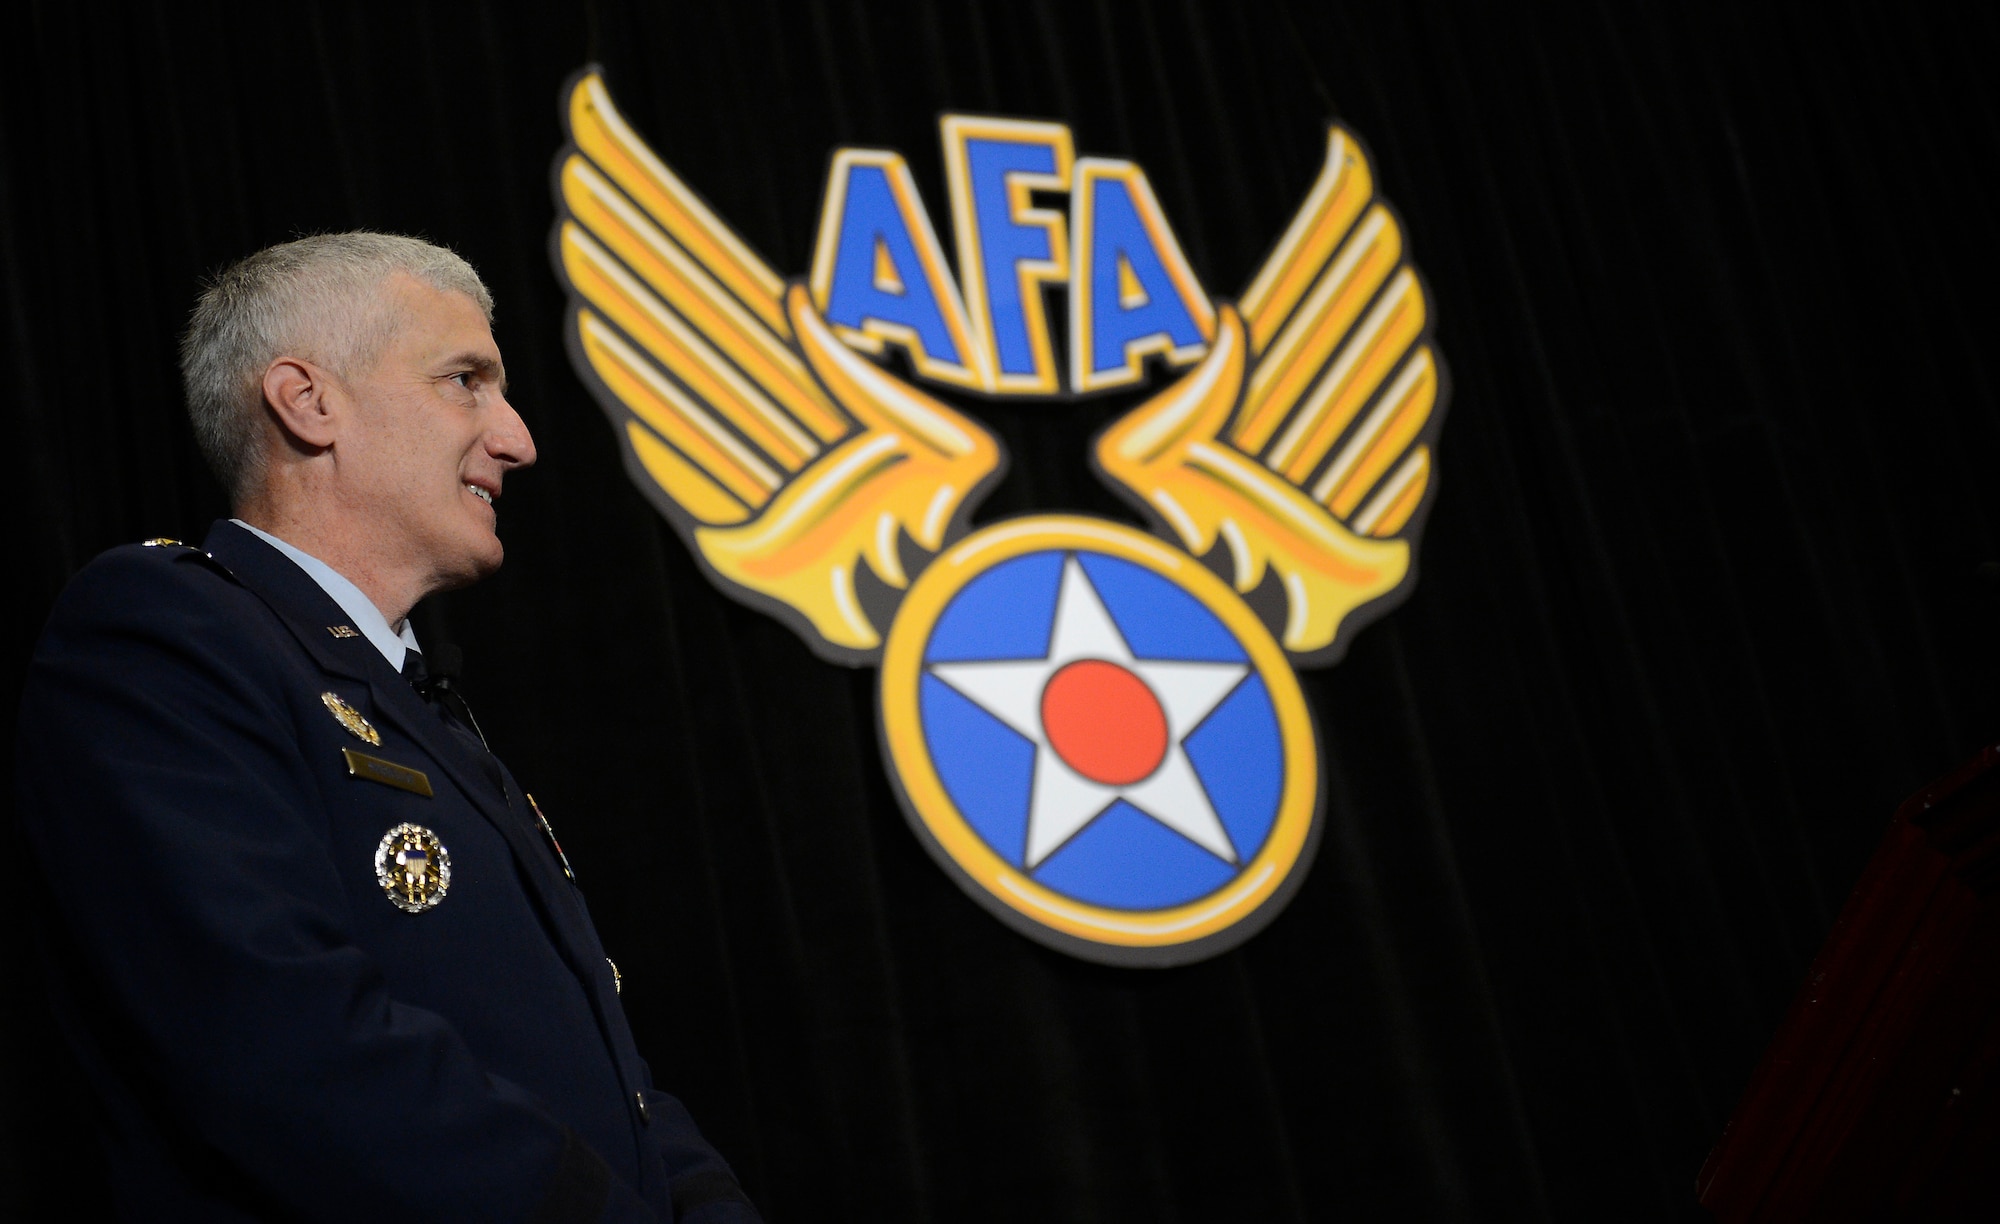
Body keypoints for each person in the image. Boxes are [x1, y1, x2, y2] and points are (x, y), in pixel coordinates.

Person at [14, 232, 761, 1223]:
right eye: (466, 381)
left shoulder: (416, 701)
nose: (517, 438)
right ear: (308, 401)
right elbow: (284, 1047)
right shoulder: (165, 631)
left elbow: (608, 1071)